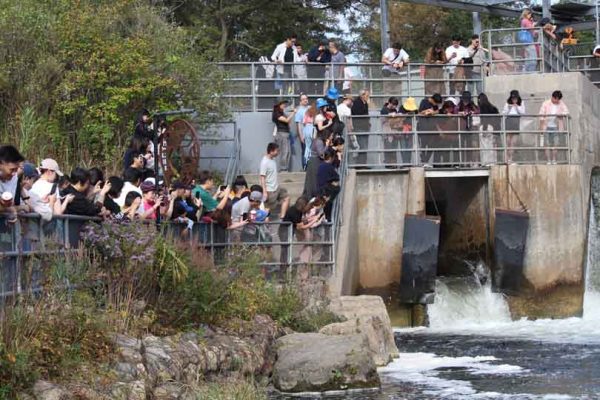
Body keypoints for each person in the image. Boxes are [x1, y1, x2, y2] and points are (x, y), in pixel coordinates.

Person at [260, 143, 290, 219]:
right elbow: (262, 177)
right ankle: (263, 223)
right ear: (271, 151)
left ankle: (282, 216)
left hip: (276, 187)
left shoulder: (272, 160)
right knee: (268, 209)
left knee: (286, 197)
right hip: (269, 190)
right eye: (277, 151)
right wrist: (264, 191)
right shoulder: (264, 162)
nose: (278, 152)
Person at [539, 90, 569, 164]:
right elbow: (541, 114)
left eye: (558, 99)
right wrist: (541, 126)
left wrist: (561, 114)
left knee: (555, 144)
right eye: (555, 99)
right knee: (546, 144)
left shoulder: (561, 103)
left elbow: (567, 112)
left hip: (556, 127)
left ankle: (554, 160)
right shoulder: (546, 103)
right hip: (546, 126)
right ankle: (548, 160)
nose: (556, 100)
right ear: (552, 97)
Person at [418, 93, 443, 166]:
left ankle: (426, 161)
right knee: (423, 145)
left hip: (432, 128)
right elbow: (419, 112)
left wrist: (433, 112)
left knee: (431, 145)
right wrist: (427, 111)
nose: (436, 104)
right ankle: (423, 162)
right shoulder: (424, 102)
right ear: (432, 99)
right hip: (423, 128)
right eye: (435, 103)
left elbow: (438, 111)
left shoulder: (435, 105)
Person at [456, 91, 481, 166]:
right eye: (464, 99)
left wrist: (471, 112)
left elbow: (478, 111)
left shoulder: (472, 105)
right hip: (461, 127)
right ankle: (462, 162)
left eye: (467, 100)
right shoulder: (459, 105)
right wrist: (460, 113)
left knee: (471, 145)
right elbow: (455, 111)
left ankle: (471, 161)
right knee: (462, 145)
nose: (465, 101)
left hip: (471, 127)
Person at [272, 99, 296, 172]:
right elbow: (286, 120)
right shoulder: (276, 113)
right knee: (284, 152)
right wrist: (293, 113)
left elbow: (288, 121)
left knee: (288, 152)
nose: (284, 105)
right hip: (282, 133)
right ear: (278, 105)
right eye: (282, 104)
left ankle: (285, 168)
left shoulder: (282, 113)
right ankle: (283, 169)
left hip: (286, 133)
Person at [502, 90, 526, 164]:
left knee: (513, 142)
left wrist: (517, 107)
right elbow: (503, 113)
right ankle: (506, 158)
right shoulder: (507, 103)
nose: (514, 100)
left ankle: (511, 158)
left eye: (515, 98)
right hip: (509, 121)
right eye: (513, 98)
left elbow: (523, 113)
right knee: (508, 141)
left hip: (516, 121)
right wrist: (509, 108)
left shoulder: (521, 103)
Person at [477, 93, 500, 166]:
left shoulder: (482, 108)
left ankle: (485, 162)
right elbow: (497, 120)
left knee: (484, 146)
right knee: (492, 145)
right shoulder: (493, 108)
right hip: (492, 128)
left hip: (485, 127)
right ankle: (493, 161)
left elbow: (484, 119)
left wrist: (484, 127)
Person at [351, 89, 371, 167]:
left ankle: (363, 164)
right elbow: (359, 113)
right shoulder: (357, 103)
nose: (368, 97)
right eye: (367, 95)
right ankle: (360, 164)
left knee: (365, 146)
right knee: (363, 146)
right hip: (359, 127)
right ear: (362, 95)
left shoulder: (365, 103)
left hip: (365, 127)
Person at [380, 96, 401, 167]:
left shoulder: (395, 110)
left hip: (394, 131)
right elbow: (384, 119)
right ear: (389, 103)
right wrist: (390, 116)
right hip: (387, 132)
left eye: (395, 105)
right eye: (393, 104)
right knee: (388, 148)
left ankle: (394, 163)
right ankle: (388, 164)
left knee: (394, 149)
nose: (394, 106)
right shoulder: (384, 109)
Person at [294, 94, 310, 169]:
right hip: (304, 134)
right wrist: (301, 136)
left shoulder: (310, 109)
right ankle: (305, 166)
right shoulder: (299, 111)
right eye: (303, 99)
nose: (305, 100)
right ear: (300, 101)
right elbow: (299, 125)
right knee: (305, 150)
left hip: (311, 134)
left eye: (306, 98)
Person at [302, 102, 317, 169]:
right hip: (312, 128)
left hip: (306, 129)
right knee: (312, 147)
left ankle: (305, 163)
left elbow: (304, 122)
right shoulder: (316, 112)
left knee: (307, 147)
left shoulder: (307, 112)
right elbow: (315, 122)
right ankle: (310, 163)